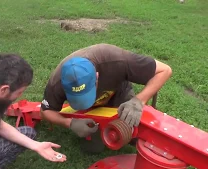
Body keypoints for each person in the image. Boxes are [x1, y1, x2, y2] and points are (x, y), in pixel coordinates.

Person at [40, 43, 172, 152]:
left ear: (97, 77)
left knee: (136, 134)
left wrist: (139, 101)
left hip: (118, 94)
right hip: (90, 110)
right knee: (93, 148)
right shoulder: (57, 81)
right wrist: (70, 123)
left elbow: (164, 70)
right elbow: (45, 111)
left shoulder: (116, 60)